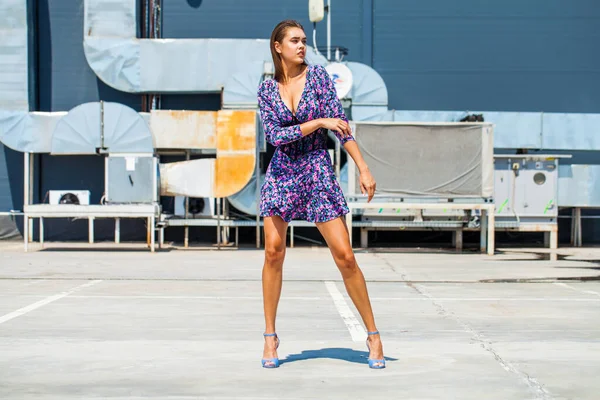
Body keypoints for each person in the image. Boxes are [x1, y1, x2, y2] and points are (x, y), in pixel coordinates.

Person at [257, 19, 385, 369]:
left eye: (303, 41)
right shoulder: (267, 91)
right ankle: (270, 337)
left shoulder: (319, 79)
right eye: (294, 41)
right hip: (282, 172)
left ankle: (373, 335)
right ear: (278, 47)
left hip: (316, 170)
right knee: (273, 253)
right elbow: (275, 137)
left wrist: (364, 167)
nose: (301, 46)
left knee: (345, 256)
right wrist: (316, 123)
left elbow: (341, 126)